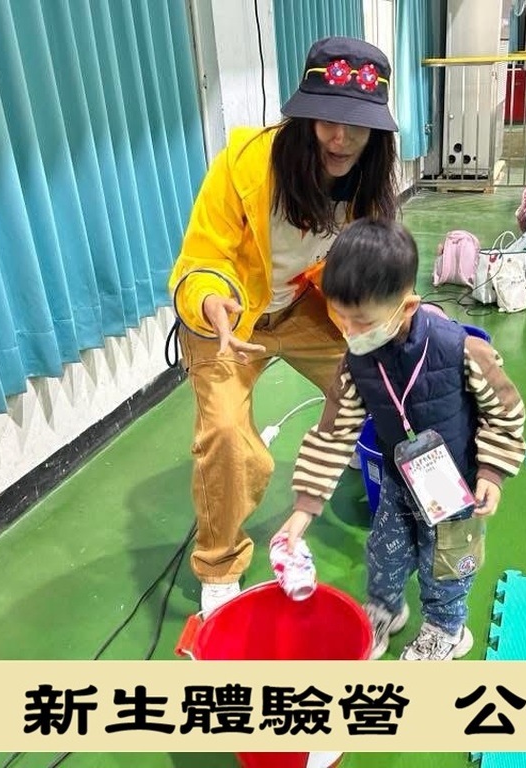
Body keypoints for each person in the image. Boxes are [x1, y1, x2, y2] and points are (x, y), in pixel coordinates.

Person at [168, 37, 399, 615]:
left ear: (376, 131)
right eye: (327, 119)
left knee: (378, 377)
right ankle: (220, 566)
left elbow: (371, 267)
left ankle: (354, 452)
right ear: (304, 117)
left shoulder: (367, 187)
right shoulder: (245, 165)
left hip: (301, 308)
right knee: (226, 435)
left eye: (356, 124)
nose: (340, 137)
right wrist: (211, 300)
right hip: (230, 319)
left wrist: (406, 313)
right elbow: (203, 256)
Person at [277, 218, 526, 661]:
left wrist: (492, 471)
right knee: (384, 553)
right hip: (399, 480)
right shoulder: (357, 363)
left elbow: (505, 411)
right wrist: (304, 508)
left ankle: (447, 629)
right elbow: (333, 433)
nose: (350, 333)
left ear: (407, 306)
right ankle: (385, 610)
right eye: (341, 318)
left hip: (455, 486)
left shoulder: (462, 350)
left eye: (362, 321)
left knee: (445, 566)